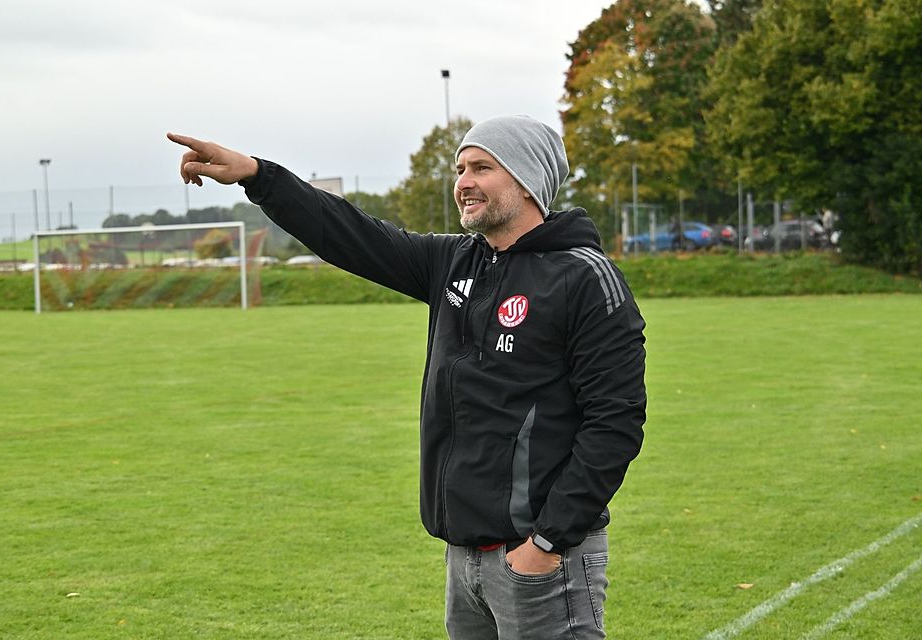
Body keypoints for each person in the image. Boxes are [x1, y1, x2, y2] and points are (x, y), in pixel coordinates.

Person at [168, 115, 646, 640]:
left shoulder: (583, 277)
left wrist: (546, 545)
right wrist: (257, 176)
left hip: (541, 560)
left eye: (482, 167)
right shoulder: (454, 263)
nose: (463, 182)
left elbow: (615, 424)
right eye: (460, 168)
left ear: (527, 180)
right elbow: (349, 234)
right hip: (464, 559)